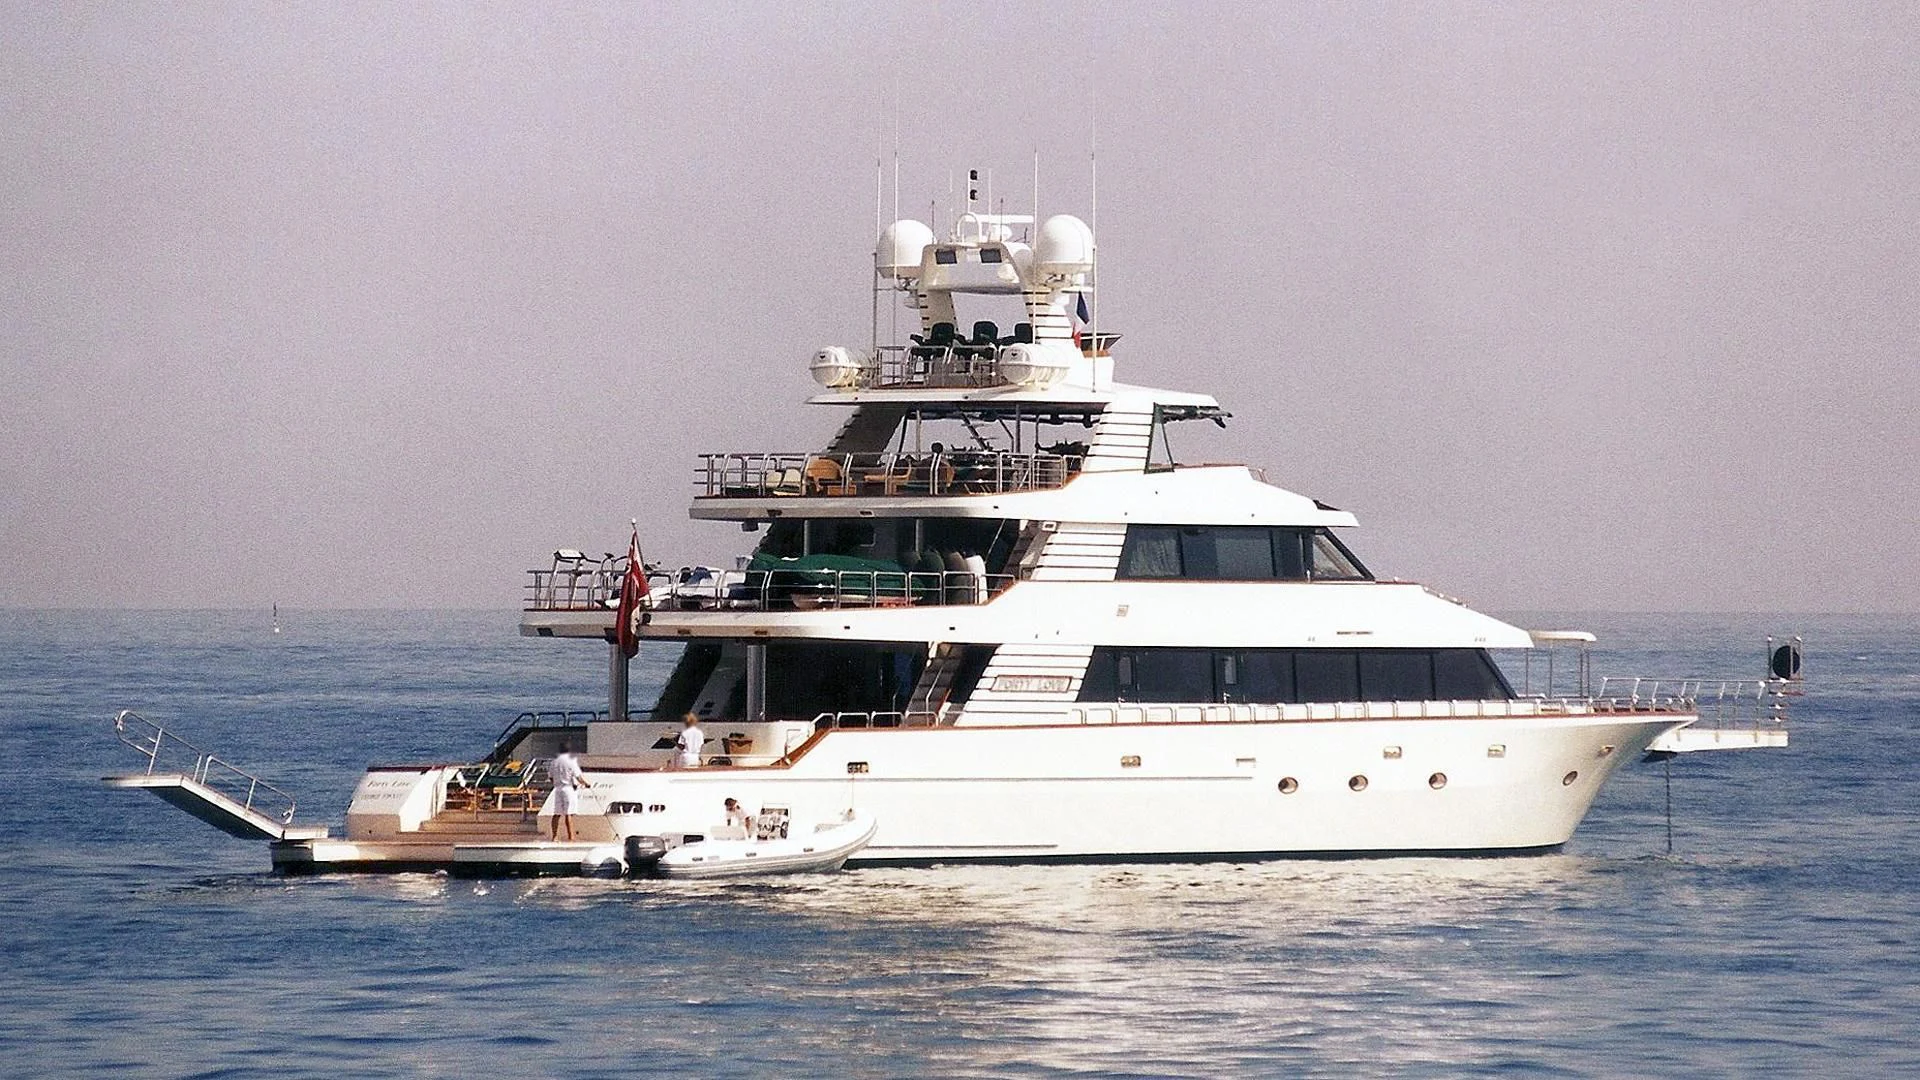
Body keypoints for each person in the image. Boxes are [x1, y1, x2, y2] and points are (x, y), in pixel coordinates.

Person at [547, 744, 591, 841]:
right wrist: (586, 784)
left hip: (557, 788)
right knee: (568, 813)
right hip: (568, 788)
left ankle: (554, 836)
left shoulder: (554, 762)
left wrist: (556, 783)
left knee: (557, 813)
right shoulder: (571, 761)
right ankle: (571, 837)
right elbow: (578, 776)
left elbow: (550, 776)